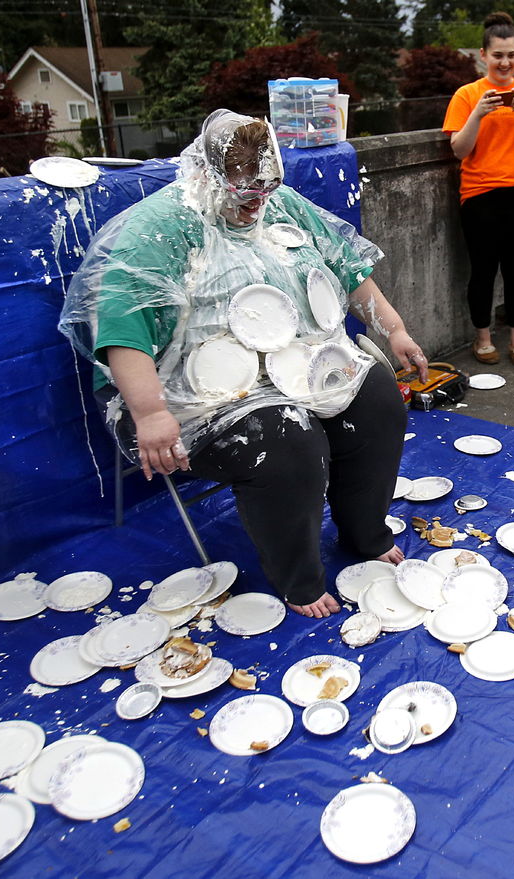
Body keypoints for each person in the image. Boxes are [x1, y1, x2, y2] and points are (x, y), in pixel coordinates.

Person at [59, 110, 430, 619]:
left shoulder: (280, 206)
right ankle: (298, 577)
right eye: (243, 192)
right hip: (185, 394)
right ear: (210, 176)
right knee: (288, 441)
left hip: (291, 365)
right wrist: (148, 412)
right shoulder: (160, 229)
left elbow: (350, 273)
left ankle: (365, 533)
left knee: (379, 402)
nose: (256, 202)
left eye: (265, 189)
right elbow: (123, 329)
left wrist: (395, 331)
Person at [443, 12, 514, 368]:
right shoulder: (467, 95)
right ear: (483, 55)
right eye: (497, 55)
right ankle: (483, 337)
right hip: (478, 195)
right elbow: (459, 150)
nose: (505, 62)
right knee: (482, 270)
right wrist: (478, 113)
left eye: (511, 55)